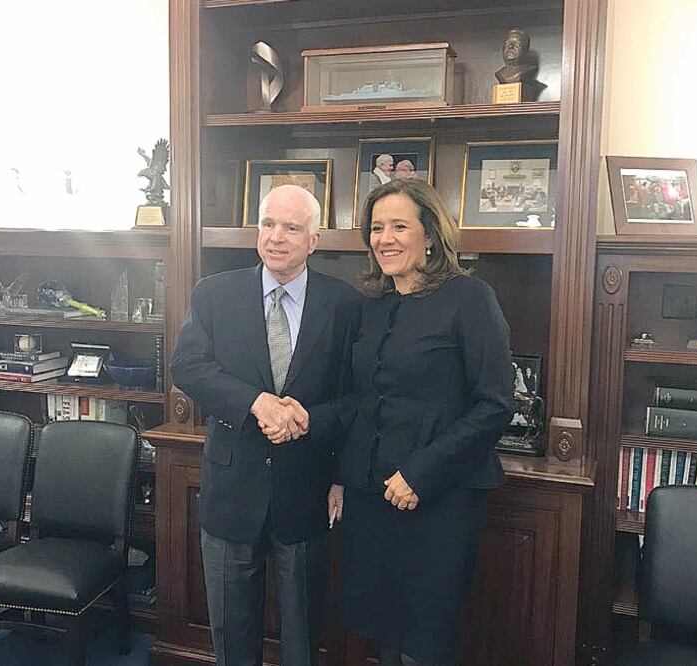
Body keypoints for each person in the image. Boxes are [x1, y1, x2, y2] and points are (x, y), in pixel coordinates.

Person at [171, 184, 360, 666]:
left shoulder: (343, 304)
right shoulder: (215, 293)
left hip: (306, 490)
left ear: (314, 240)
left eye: (292, 228)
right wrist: (256, 402)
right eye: (268, 224)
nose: (277, 237)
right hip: (232, 491)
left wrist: (312, 431)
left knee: (303, 635)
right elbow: (188, 367)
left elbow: (356, 398)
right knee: (233, 636)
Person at [329, 178, 516, 666]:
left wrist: (420, 474)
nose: (384, 238)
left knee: (424, 641)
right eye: (375, 228)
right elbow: (357, 399)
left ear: (430, 235)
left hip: (440, 501)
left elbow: (495, 404)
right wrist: (339, 477)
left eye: (398, 226)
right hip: (371, 499)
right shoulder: (369, 304)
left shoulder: (471, 297)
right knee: (382, 634)